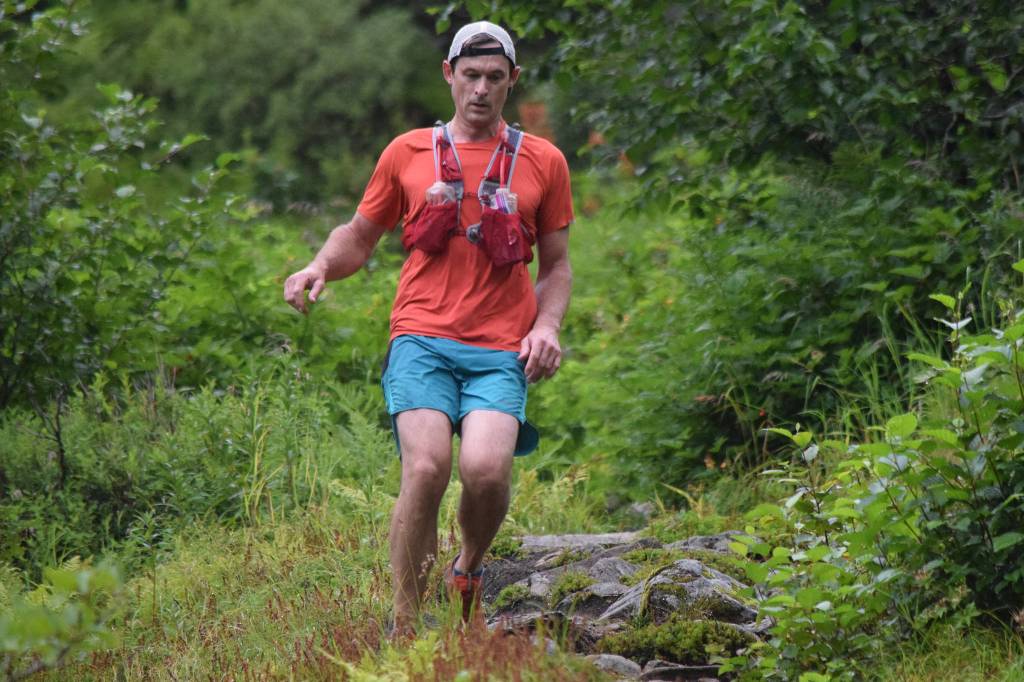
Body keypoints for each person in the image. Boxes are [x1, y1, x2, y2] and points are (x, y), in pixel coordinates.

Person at [283, 20, 574, 637]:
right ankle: (406, 625)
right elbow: (359, 237)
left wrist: (546, 326)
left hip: (501, 347)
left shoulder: (543, 161)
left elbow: (558, 265)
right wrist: (318, 266)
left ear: (513, 81)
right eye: (470, 75)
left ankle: (466, 569)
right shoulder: (407, 152)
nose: (481, 90)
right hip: (420, 338)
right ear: (448, 74)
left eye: (496, 78)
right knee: (425, 469)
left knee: (488, 471)